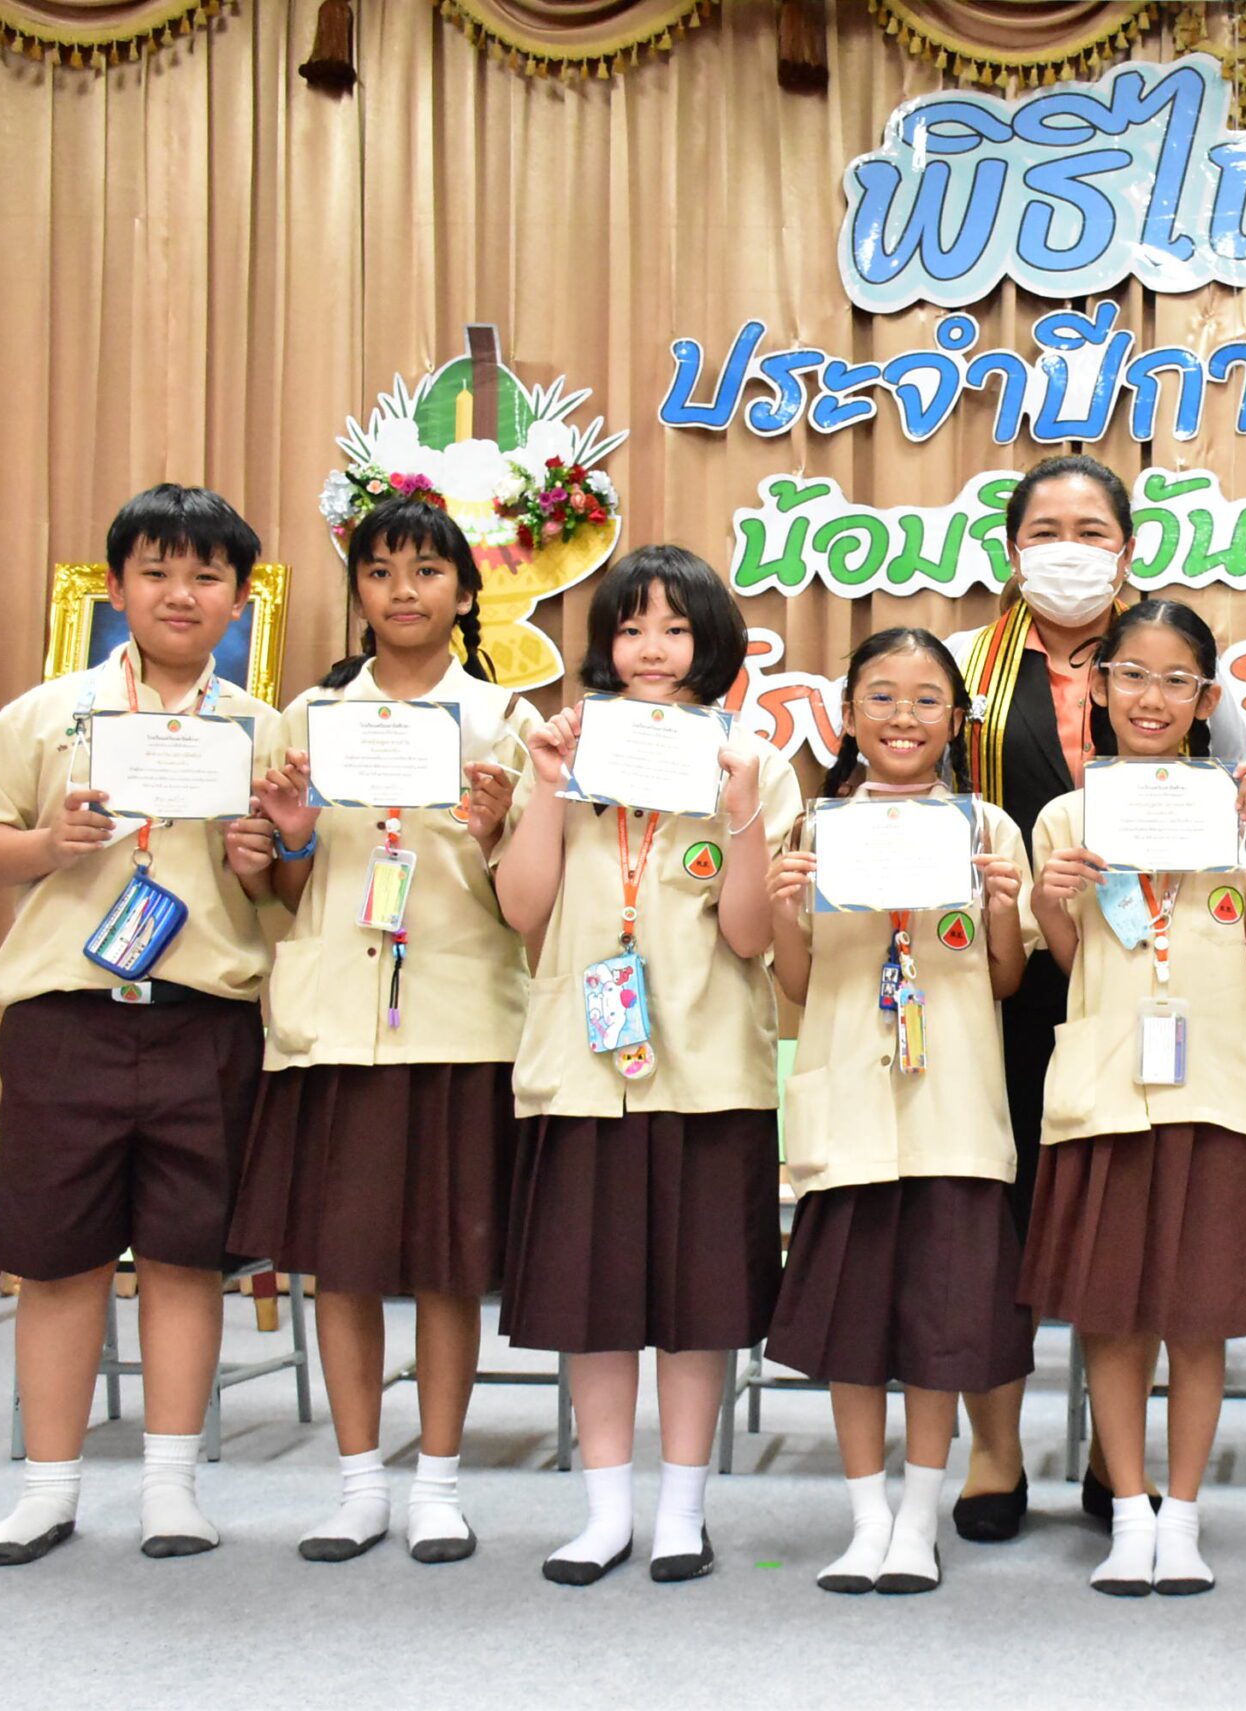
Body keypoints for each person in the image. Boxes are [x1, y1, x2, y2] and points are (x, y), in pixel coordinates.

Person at [0, 484, 284, 1565]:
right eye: (157, 571)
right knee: (59, 1261)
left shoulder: (262, 730)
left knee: (185, 1258)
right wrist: (48, 845)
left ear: (240, 598)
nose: (181, 594)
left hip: (203, 1023)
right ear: (115, 586)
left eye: (206, 576)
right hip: (67, 1021)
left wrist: (261, 862)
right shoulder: (51, 713)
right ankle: (47, 1492)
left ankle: (172, 1489)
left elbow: (286, 894)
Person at [946, 453, 1246, 1537]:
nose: (1068, 551)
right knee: (997, 1215)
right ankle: (995, 1451)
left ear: (1127, 548)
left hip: (1140, 981)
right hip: (1001, 978)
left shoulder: (1171, 658)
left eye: (1091, 532)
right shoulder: (963, 669)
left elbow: (1240, 802)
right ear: (1011, 548)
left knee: (1119, 1219)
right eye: (1047, 531)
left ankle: (1109, 1458)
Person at [491, 546, 803, 1585]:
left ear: (712, 642)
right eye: (630, 629)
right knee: (593, 1303)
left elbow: (751, 935)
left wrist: (743, 809)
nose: (652, 649)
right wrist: (547, 786)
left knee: (696, 1303)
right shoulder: (566, 748)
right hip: (581, 1066)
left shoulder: (752, 759)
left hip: (707, 1066)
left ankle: (682, 1511)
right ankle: (604, 1512)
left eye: (675, 628)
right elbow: (522, 909)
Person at [229, 493, 531, 1566]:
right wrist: (289, 841)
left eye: (427, 570)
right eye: (380, 571)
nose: (403, 591)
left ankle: (437, 1485)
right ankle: (359, 1485)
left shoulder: (504, 723)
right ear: (356, 590)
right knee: (341, 1264)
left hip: (458, 1023)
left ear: (465, 591)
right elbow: (284, 892)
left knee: (449, 1266)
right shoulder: (306, 719)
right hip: (337, 1026)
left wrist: (494, 835)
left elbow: (529, 904)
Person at [1019, 598, 1246, 1595]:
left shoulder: (1240, 808)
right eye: (1131, 674)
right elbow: (1069, 959)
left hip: (1214, 1088)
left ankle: (1184, 1516)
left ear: (1207, 700)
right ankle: (1127, 1512)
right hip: (1106, 1090)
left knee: (1200, 1315)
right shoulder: (1067, 816)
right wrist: (1050, 898)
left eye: (1178, 680)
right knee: (1112, 1313)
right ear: (1098, 685)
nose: (1152, 696)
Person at [764, 627, 1036, 1595]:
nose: (903, 716)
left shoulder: (987, 828)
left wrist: (1000, 907)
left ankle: (918, 1519)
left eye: (926, 699)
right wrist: (781, 903)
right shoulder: (815, 830)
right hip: (848, 1113)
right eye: (880, 696)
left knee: (939, 1329)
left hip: (953, 1117)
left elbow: (1005, 978)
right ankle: (865, 1518)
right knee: (851, 1333)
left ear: (956, 719)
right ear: (847, 714)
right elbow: (797, 986)